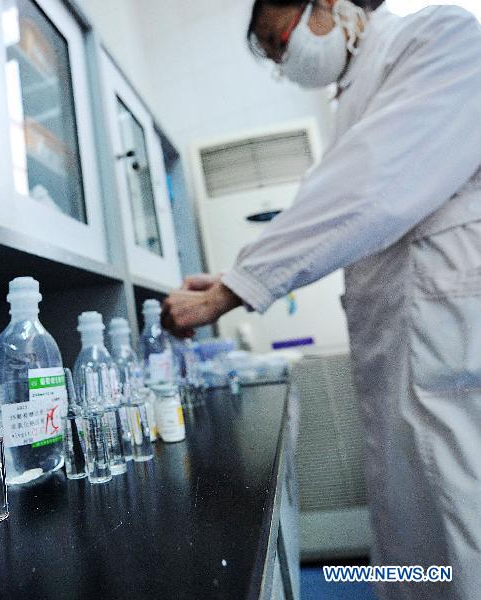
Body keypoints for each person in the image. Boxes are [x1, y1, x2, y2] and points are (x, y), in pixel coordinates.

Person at [160, 1, 481, 599]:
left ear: (327, 5)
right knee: (417, 549)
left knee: (466, 543)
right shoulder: (354, 95)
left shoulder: (441, 36)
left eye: (279, 41)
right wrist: (238, 275)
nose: (285, 60)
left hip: (454, 351)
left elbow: (372, 181)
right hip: (407, 361)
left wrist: (234, 288)